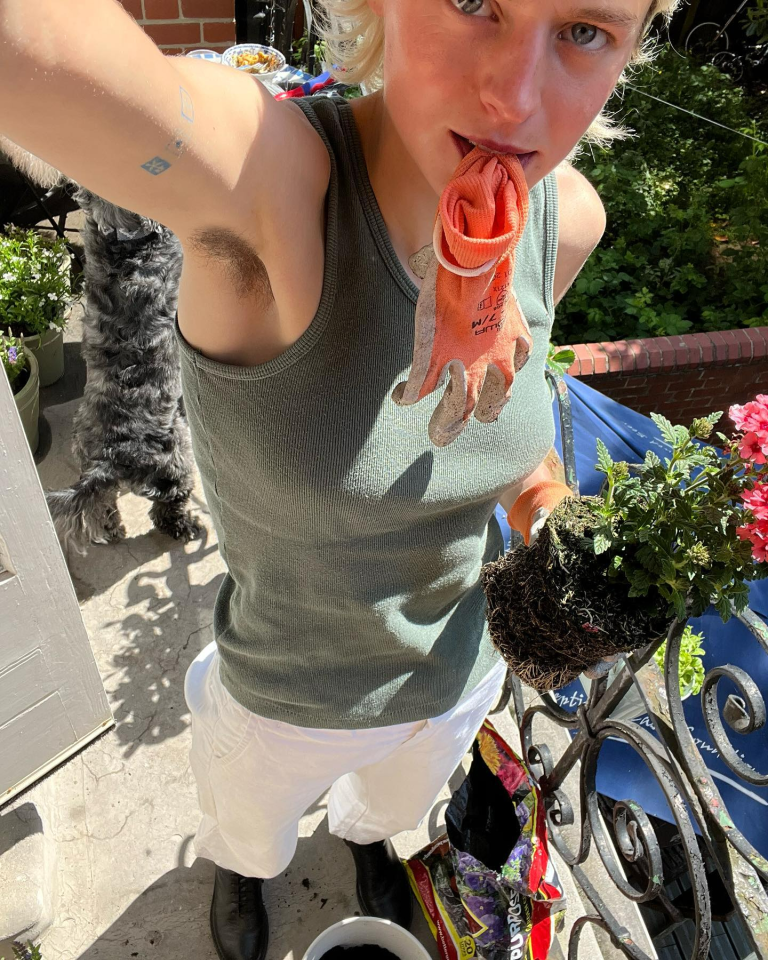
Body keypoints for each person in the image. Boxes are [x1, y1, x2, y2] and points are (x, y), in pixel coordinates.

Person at [1, 0, 680, 957]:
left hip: (454, 683)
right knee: (250, 824)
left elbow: (492, 421)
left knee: (386, 811)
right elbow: (44, 57)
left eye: (584, 31)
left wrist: (546, 506)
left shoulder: (564, 220)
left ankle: (364, 839)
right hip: (283, 698)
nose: (515, 99)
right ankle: (242, 869)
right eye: (474, 1)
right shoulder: (271, 186)